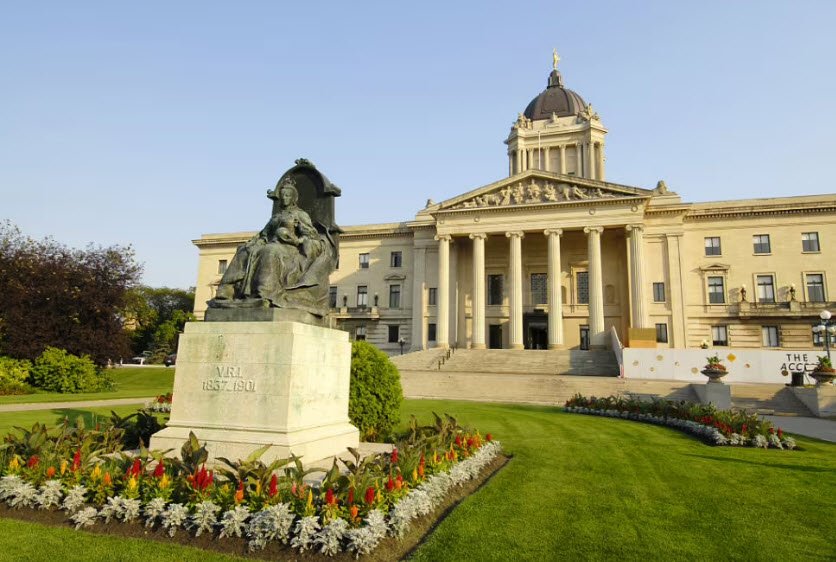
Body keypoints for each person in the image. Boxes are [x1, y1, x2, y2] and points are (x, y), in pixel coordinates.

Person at [212, 178, 333, 314]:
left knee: (270, 251)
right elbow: (264, 233)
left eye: (287, 196)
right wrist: (259, 240)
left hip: (290, 249)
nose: (284, 198)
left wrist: (296, 240)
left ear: (293, 198)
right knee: (244, 250)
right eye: (282, 196)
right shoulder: (276, 217)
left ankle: (264, 292)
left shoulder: (300, 215)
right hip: (272, 243)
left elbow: (311, 236)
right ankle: (226, 289)